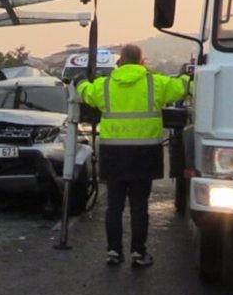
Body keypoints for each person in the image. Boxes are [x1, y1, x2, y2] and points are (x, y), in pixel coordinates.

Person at [76, 44, 190, 268]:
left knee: (114, 205)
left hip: (113, 154)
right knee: (139, 206)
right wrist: (189, 75)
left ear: (120, 61)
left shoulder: (105, 85)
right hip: (144, 154)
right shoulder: (155, 82)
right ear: (141, 61)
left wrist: (80, 81)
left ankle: (113, 252)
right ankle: (138, 253)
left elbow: (85, 93)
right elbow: (181, 88)